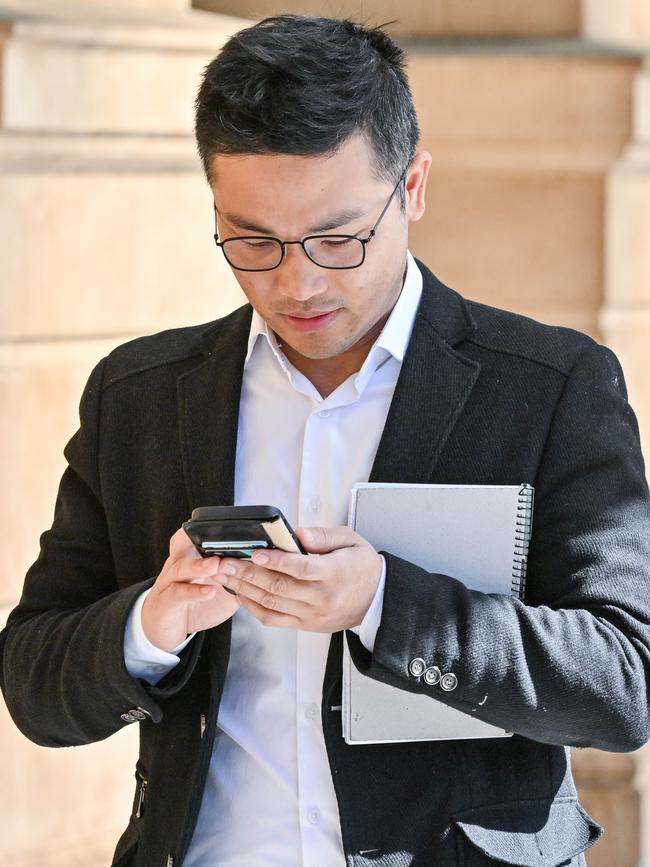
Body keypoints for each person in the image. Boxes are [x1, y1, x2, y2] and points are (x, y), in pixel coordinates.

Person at [2, 13, 650, 867]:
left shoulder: (552, 385)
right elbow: (36, 684)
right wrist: (152, 623)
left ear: (413, 186)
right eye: (252, 240)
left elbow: (623, 684)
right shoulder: (140, 394)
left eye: (339, 239)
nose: (297, 281)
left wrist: (384, 604)